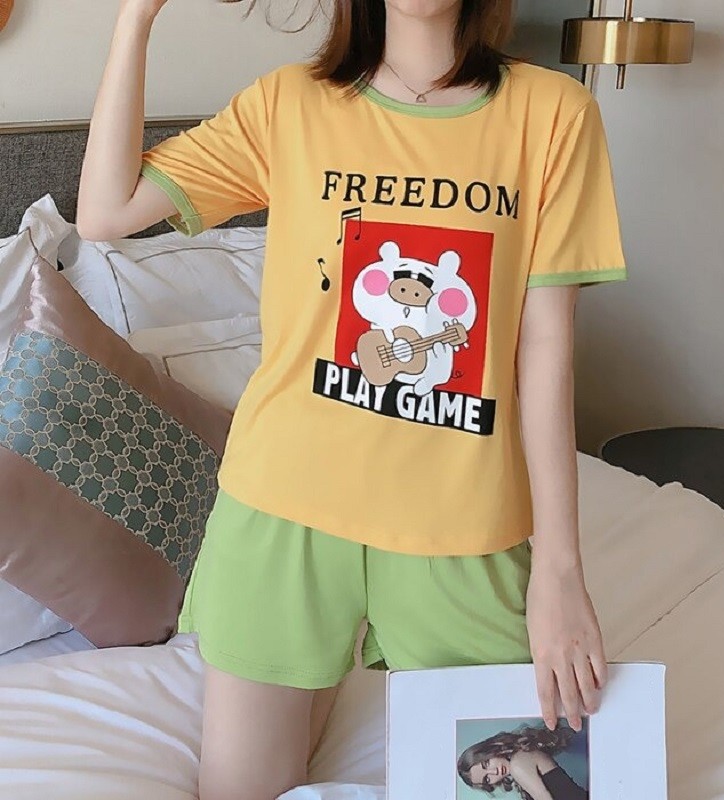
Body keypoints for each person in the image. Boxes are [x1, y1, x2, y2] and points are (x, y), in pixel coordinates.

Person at [78, 0, 626, 796]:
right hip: (282, 508)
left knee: (503, 773)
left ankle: (332, 669)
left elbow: (544, 351)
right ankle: (326, 665)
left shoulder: (554, 114)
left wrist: (561, 574)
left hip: (462, 517)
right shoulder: (289, 104)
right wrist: (136, 17)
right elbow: (104, 214)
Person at [458, 725, 588, 800]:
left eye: (486, 763)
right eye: (487, 779)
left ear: (489, 750)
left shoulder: (517, 764)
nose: (494, 772)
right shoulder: (522, 756)